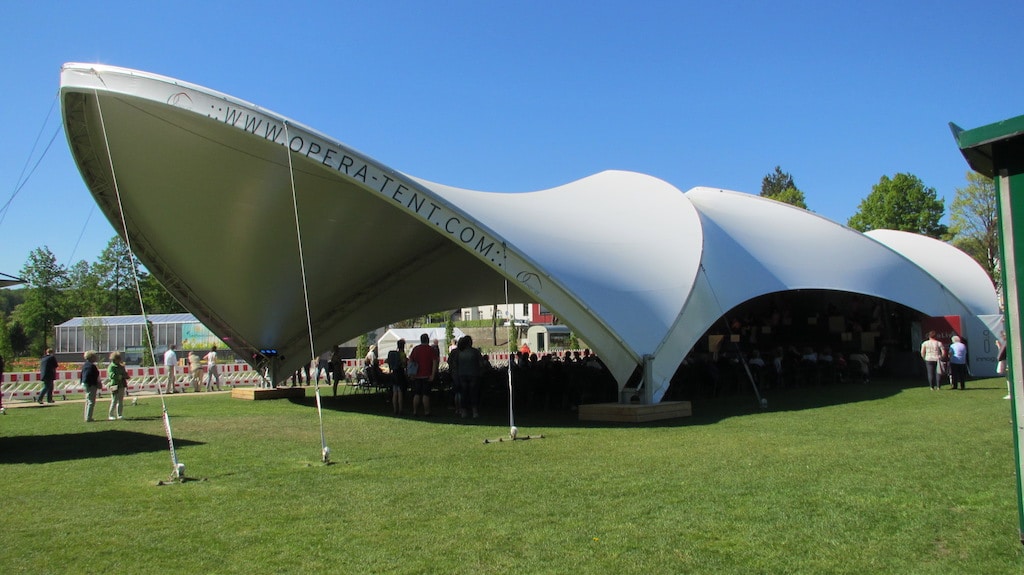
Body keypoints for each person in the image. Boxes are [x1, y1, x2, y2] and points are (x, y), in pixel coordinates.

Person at [408, 333, 438, 416]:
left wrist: (411, 373)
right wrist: (433, 374)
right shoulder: (431, 349)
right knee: (426, 394)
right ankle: (427, 411)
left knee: (417, 394)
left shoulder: (416, 349)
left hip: (416, 375)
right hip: (427, 375)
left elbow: (410, 361)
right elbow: (435, 362)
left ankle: (415, 411)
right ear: (427, 339)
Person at [455, 335, 484, 418]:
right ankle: (475, 411)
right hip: (474, 374)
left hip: (462, 375)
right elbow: (481, 364)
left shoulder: (460, 352)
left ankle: (463, 411)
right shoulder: (475, 352)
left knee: (464, 393)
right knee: (473, 393)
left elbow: (455, 364)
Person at [386, 339, 407, 415]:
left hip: (394, 374)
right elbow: (404, 364)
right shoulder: (402, 354)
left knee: (395, 392)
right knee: (400, 392)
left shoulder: (393, 353)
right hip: (400, 373)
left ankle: (395, 410)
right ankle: (401, 409)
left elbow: (387, 361)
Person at [107, 351, 129, 420]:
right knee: (114, 400)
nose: (119, 360)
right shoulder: (111, 366)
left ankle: (119, 414)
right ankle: (111, 415)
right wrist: (119, 376)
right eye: (118, 359)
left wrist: (125, 375)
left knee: (121, 401)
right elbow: (111, 375)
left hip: (121, 385)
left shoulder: (121, 366)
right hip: (114, 385)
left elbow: (125, 373)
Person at [81, 350, 100, 422]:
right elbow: (93, 376)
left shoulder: (85, 365)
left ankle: (87, 416)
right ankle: (89, 417)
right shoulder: (92, 366)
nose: (96, 358)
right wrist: (97, 384)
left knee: (87, 400)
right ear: (91, 357)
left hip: (85, 384)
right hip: (91, 384)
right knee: (91, 401)